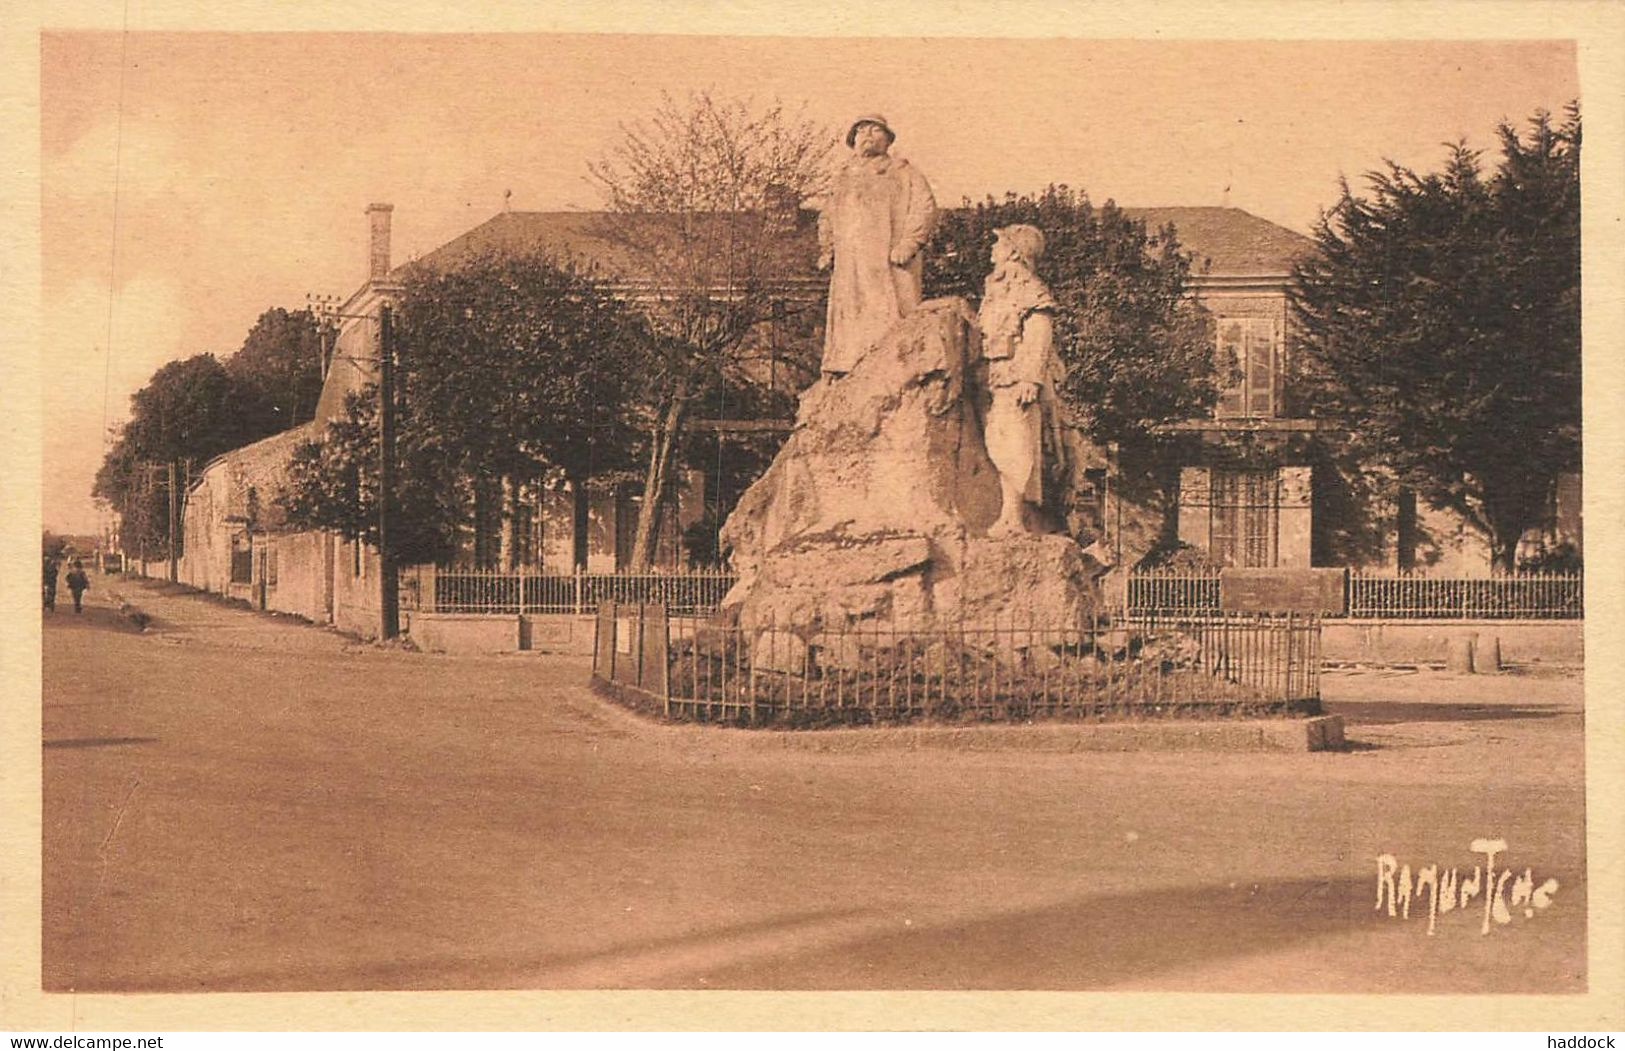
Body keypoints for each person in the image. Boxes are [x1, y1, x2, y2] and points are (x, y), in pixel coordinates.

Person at [816, 114, 939, 376]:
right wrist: (828, 249)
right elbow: (827, 216)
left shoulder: (904, 173)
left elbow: (924, 208)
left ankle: (891, 368)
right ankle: (846, 368)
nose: (868, 136)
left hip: (890, 262)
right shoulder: (842, 178)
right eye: (860, 132)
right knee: (851, 318)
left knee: (892, 323)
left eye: (875, 130)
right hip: (851, 266)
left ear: (888, 139)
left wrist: (909, 243)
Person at [977, 223, 1067, 535]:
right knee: (998, 443)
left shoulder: (1030, 289)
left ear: (1014, 251)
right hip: (995, 378)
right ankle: (1008, 514)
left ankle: (1013, 516)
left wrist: (1031, 379)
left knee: (1014, 445)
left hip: (1017, 381)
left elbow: (1039, 336)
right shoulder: (996, 292)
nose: (992, 251)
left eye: (999, 244)